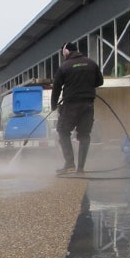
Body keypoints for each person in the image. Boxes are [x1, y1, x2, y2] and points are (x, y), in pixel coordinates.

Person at [51, 42, 104, 174]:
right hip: (88, 105)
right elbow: (100, 81)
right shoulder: (91, 64)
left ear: (66, 52)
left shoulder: (65, 66)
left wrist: (53, 105)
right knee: (84, 135)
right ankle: (80, 168)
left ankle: (69, 163)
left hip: (70, 105)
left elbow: (56, 88)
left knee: (63, 131)